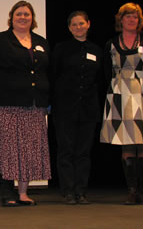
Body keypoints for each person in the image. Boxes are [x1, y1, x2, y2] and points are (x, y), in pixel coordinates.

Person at [0, 0, 51, 207]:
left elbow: (48, 71)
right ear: (11, 18)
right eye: (19, 14)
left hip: (34, 104)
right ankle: (7, 193)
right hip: (6, 104)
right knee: (8, 149)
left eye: (27, 14)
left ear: (33, 18)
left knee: (30, 149)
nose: (23, 17)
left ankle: (23, 193)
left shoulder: (41, 41)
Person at [101, 3, 143, 205]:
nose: (131, 20)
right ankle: (132, 191)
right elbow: (107, 71)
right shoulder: (111, 43)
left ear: (140, 20)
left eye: (135, 17)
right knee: (126, 143)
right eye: (127, 16)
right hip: (120, 95)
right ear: (120, 19)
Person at [52, 11, 103, 205]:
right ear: (69, 28)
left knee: (83, 152)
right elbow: (54, 75)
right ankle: (68, 191)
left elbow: (100, 79)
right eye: (74, 25)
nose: (78, 27)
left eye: (81, 24)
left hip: (89, 108)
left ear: (88, 24)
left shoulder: (97, 50)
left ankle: (81, 191)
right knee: (66, 150)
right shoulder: (61, 48)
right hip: (64, 108)